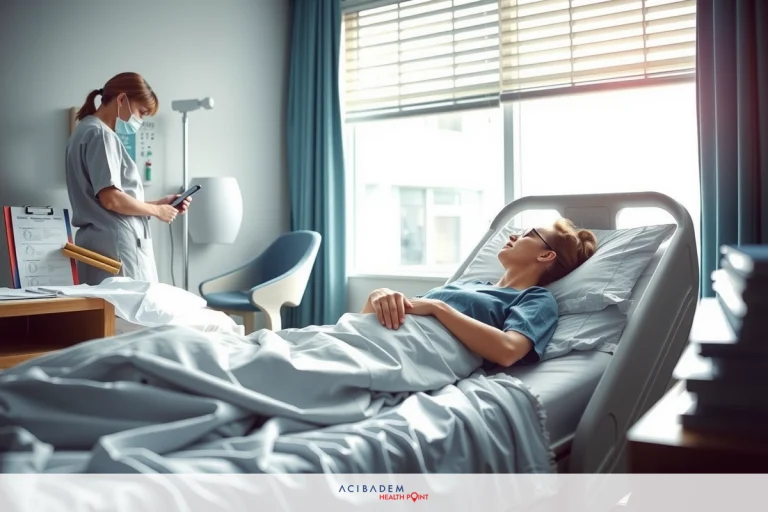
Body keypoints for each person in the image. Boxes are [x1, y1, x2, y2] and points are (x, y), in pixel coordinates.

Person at [362, 218, 597, 367]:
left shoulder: (536, 298)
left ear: (546, 255)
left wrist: (438, 308)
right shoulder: (469, 284)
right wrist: (379, 296)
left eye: (528, 234)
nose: (513, 236)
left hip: (408, 355)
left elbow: (508, 351)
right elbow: (381, 316)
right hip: (369, 339)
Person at [65, 72, 192, 285]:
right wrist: (158, 211)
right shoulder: (101, 135)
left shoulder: (84, 131)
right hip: (117, 246)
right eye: (141, 112)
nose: (140, 121)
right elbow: (111, 200)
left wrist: (157, 203)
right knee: (129, 314)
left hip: (100, 242)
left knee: (106, 315)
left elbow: (107, 201)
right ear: (122, 99)